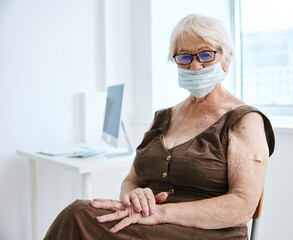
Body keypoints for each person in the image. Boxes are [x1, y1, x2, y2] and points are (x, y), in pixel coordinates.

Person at [44, 13, 275, 240]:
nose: (195, 67)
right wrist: (133, 197)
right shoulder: (163, 118)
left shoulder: (245, 121)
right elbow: (131, 180)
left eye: (206, 55)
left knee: (78, 216)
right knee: (78, 215)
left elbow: (242, 206)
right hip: (149, 225)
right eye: (184, 57)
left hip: (206, 233)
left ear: (227, 58)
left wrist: (161, 213)